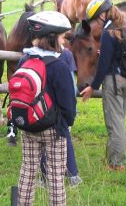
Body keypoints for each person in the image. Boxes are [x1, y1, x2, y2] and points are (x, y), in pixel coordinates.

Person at [16, 11, 77, 206]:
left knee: (27, 171)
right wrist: (68, 123)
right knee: (56, 176)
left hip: (28, 125)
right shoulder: (59, 66)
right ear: (53, 38)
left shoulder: (24, 60)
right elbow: (68, 102)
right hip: (54, 129)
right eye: (61, 37)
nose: (64, 41)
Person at [80, 0, 126, 171]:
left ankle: (117, 164)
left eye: (96, 19)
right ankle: (111, 159)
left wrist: (92, 86)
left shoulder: (108, 32)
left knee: (115, 124)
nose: (96, 23)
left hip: (114, 81)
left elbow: (103, 66)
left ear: (103, 14)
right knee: (119, 120)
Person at [39, 32, 82, 187]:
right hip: (60, 106)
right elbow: (71, 85)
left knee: (43, 141)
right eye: (62, 35)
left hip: (41, 107)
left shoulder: (34, 56)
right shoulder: (66, 55)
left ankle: (44, 178)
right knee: (64, 139)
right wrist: (72, 109)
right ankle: (72, 175)